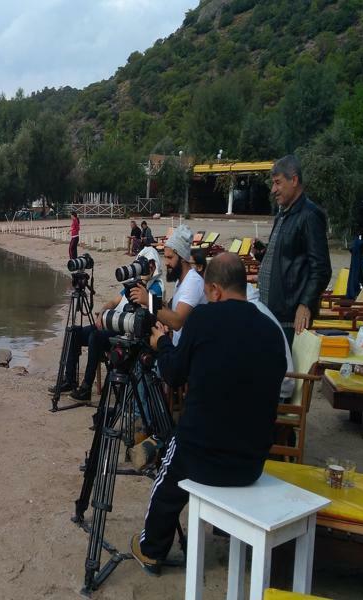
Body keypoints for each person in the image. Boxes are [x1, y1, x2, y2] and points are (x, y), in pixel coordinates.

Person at [130, 253, 287, 575]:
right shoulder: (271, 330)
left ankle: (150, 550)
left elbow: (173, 374)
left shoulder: (203, 319)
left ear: (214, 289)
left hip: (201, 458)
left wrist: (161, 343)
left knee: (167, 479)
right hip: (251, 463)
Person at [50, 247, 164, 401]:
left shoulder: (156, 287)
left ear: (154, 266)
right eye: (144, 264)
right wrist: (102, 313)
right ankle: (69, 379)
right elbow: (113, 301)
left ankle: (86, 387)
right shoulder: (132, 284)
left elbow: (148, 313)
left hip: (126, 330)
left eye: (150, 265)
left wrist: (144, 286)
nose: (146, 268)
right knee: (74, 332)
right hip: (110, 322)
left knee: (95, 337)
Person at [258, 155, 332, 345]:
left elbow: (321, 269)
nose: (273, 190)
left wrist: (305, 304)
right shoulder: (283, 214)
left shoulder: (310, 216)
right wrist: (264, 254)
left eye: (277, 183)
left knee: (289, 372)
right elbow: (288, 255)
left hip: (291, 320)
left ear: (294, 180)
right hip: (272, 314)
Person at [130, 224, 205, 346]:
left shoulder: (193, 282)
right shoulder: (181, 281)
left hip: (189, 353)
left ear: (182, 258)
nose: (166, 263)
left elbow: (177, 321)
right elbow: (174, 315)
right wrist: (163, 321)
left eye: (170, 258)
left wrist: (148, 300)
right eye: (165, 257)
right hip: (180, 347)